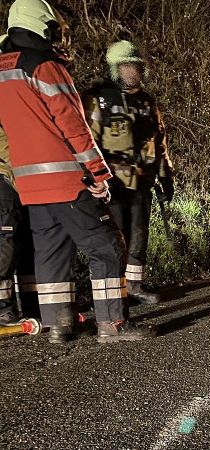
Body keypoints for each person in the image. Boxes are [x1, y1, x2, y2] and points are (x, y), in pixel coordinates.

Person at [0, 0, 152, 343]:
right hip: (66, 177)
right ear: (41, 27)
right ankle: (112, 324)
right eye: (53, 29)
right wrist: (98, 173)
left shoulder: (3, 70)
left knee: (51, 252)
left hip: (27, 182)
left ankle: (59, 325)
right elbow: (72, 125)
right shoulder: (45, 67)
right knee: (108, 246)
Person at [83, 40, 174, 305]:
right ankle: (114, 290)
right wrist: (92, 175)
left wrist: (166, 174)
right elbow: (87, 140)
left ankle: (135, 285)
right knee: (115, 235)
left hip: (142, 180)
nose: (131, 72)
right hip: (111, 181)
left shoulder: (147, 101)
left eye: (135, 67)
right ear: (114, 69)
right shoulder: (98, 98)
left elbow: (160, 140)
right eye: (126, 67)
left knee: (139, 233)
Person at [0, 123, 38, 326]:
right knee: (6, 246)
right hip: (7, 181)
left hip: (18, 185)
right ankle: (2, 308)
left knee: (24, 244)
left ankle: (33, 305)